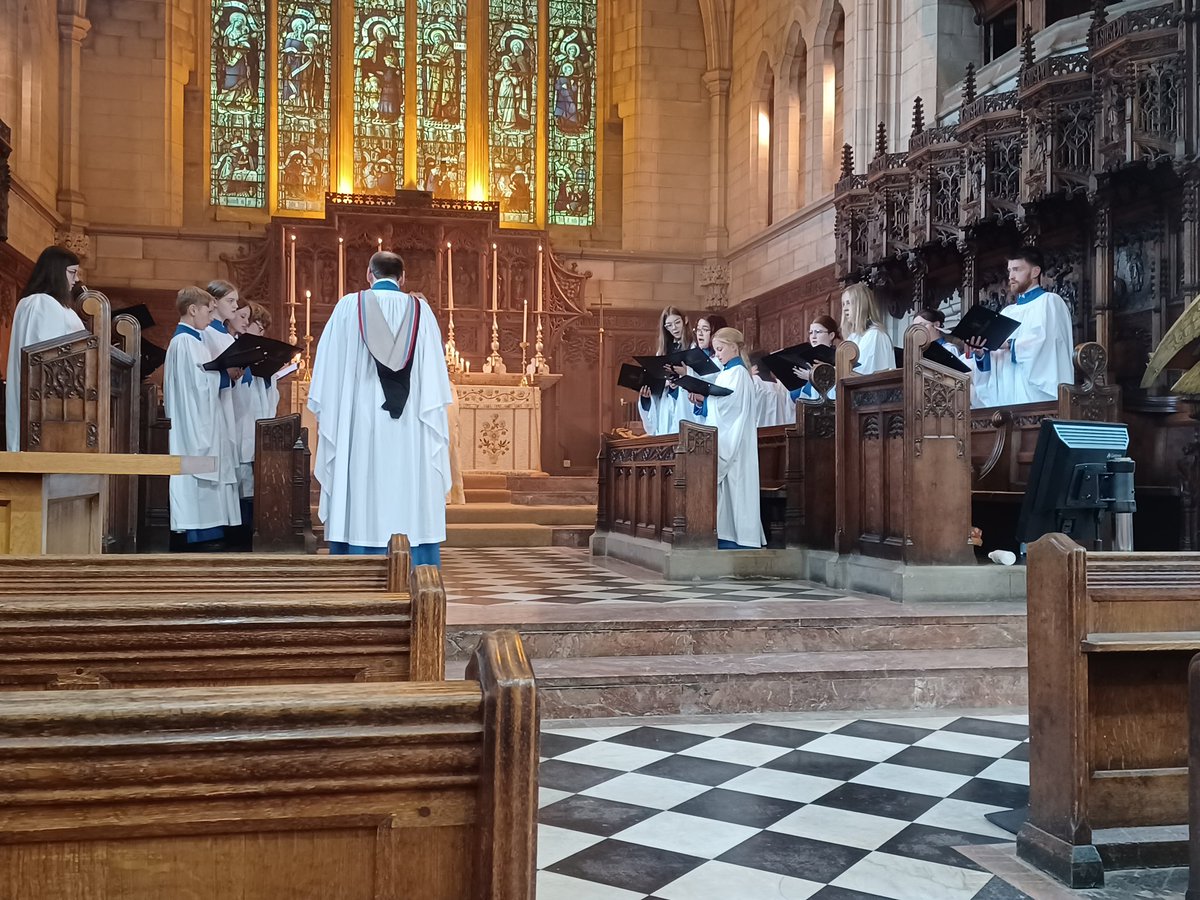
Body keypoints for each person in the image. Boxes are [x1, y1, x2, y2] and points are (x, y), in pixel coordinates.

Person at [308, 251, 453, 565]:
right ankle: (416, 559)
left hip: (359, 419)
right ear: (402, 278)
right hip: (412, 422)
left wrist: (332, 411)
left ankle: (357, 555)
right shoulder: (421, 311)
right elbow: (434, 377)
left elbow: (327, 370)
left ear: (368, 275)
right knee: (408, 483)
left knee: (361, 481)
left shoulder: (349, 307)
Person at [163, 286, 241, 547]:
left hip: (205, 416)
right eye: (208, 311)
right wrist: (224, 375)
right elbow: (196, 386)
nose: (211, 317)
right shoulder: (184, 342)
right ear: (192, 309)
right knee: (195, 470)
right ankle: (197, 532)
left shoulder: (196, 339)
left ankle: (210, 530)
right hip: (192, 422)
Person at [965, 247, 1074, 406]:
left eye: (1017, 270)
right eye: (1009, 271)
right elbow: (996, 357)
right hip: (1007, 394)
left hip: (1035, 395)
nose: (1011, 276)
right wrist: (982, 351)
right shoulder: (1008, 312)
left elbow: (1048, 343)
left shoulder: (1050, 302)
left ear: (1035, 271)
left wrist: (1008, 344)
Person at [688, 327, 766, 550]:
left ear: (734, 347)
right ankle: (725, 533)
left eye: (720, 349)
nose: (718, 354)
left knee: (735, 485)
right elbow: (721, 403)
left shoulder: (740, 373)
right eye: (715, 350)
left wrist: (707, 399)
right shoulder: (726, 373)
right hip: (728, 437)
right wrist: (703, 401)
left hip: (736, 441)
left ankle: (739, 537)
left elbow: (731, 409)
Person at [6, 246, 87, 451]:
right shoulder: (40, 303)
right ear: (56, 272)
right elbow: (45, 358)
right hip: (46, 406)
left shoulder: (59, 306)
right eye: (72, 272)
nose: (76, 279)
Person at [637, 306, 696, 436]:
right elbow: (657, 378)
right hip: (666, 402)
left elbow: (701, 378)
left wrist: (683, 377)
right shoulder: (662, 351)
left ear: (685, 320)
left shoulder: (694, 347)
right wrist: (652, 390)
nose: (674, 328)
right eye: (669, 325)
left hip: (686, 404)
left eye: (677, 323)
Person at [840, 283, 895, 376]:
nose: (845, 308)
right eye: (843, 304)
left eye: (849, 303)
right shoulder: (853, 337)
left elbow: (865, 373)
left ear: (862, 305)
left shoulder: (875, 335)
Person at [789, 314, 841, 403]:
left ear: (831, 335)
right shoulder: (804, 359)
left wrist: (813, 377)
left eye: (818, 332)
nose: (813, 336)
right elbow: (795, 395)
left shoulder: (839, 357)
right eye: (811, 332)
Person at [749, 351, 792, 427]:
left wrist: (747, 375)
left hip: (759, 431)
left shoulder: (753, 382)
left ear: (754, 366)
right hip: (780, 430)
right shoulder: (782, 385)